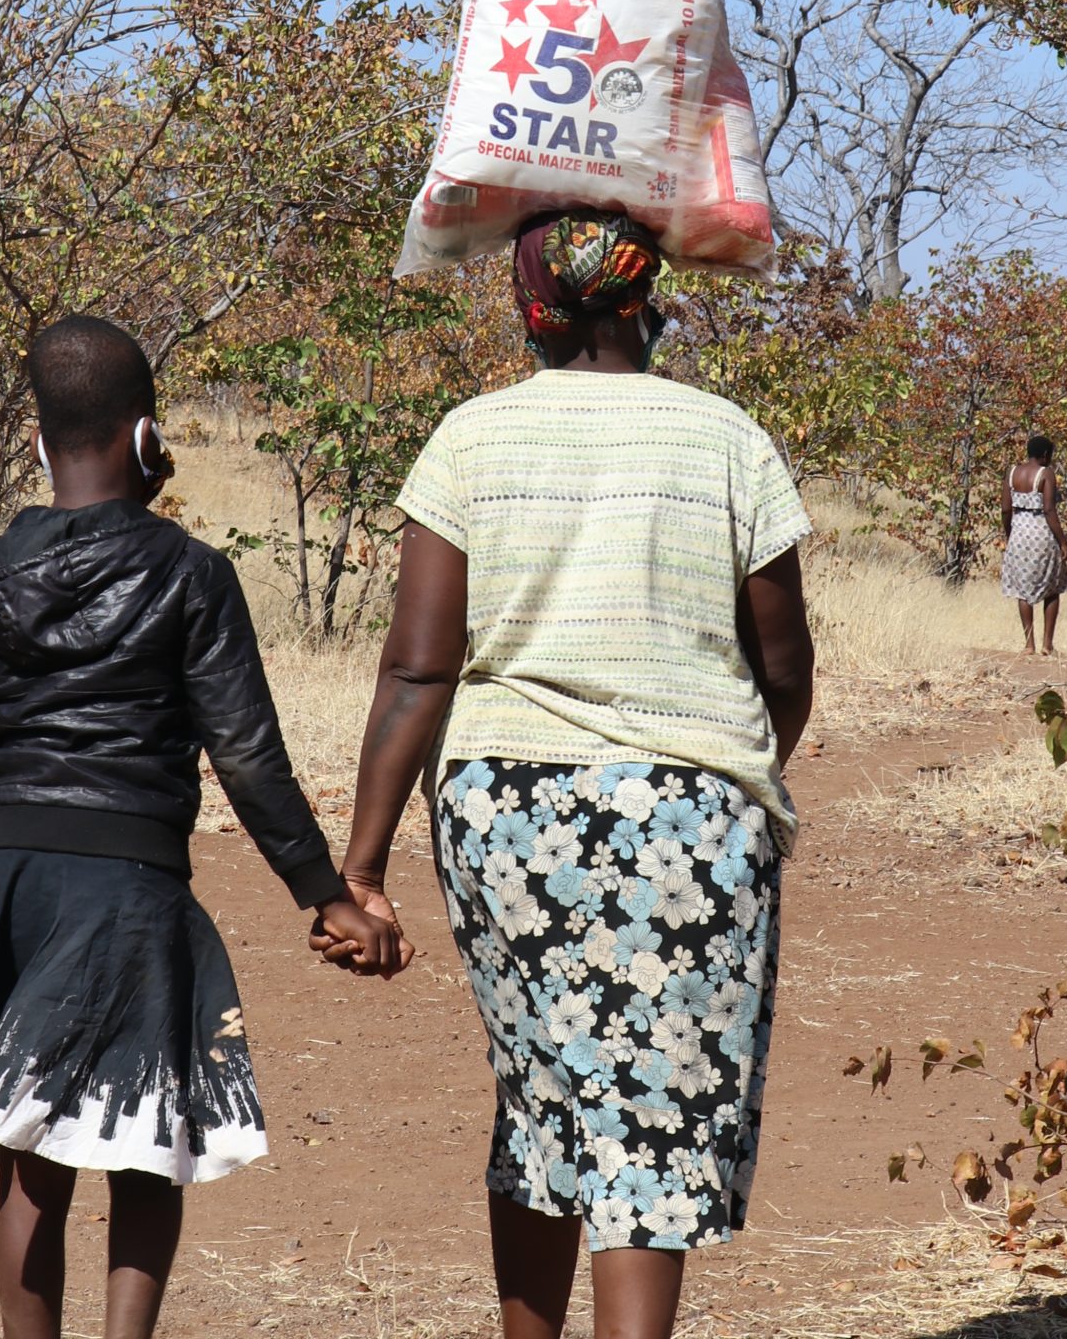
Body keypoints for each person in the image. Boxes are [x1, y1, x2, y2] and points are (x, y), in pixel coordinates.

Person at [324, 209, 818, 1339]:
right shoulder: (726, 438)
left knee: (542, 1093)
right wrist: (722, 771)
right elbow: (783, 668)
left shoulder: (470, 438)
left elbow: (416, 665)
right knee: (650, 1115)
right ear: (648, 298)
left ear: (527, 306)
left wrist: (359, 861)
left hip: (506, 813)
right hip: (691, 814)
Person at [0, 315, 402, 1339]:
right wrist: (327, 894)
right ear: (147, 433)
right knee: (143, 1126)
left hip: (9, 877)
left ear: (38, 440)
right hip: (130, 879)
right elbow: (247, 757)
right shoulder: (191, 572)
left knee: (29, 1142)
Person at [1000, 432, 1067, 656]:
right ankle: (1047, 645)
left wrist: (1009, 532)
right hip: (1042, 535)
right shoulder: (1046, 474)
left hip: (1019, 535)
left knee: (1023, 591)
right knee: (1052, 588)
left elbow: (1005, 508)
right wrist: (1063, 541)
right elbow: (1049, 510)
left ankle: (1029, 644)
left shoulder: (1012, 473)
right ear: (1043, 455)